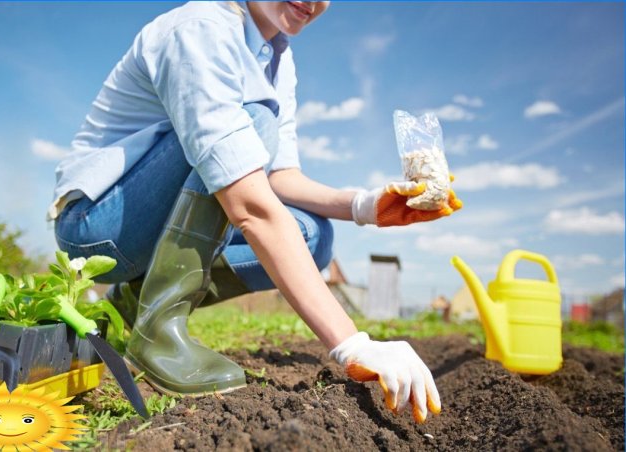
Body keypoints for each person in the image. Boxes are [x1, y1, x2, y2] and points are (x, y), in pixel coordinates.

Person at [48, 1, 461, 423]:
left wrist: (366, 207)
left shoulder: (278, 57)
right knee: (255, 121)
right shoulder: (200, 30)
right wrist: (352, 343)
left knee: (313, 235)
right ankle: (158, 332)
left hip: (149, 220)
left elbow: (279, 175)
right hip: (97, 227)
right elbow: (249, 203)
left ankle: (135, 304)